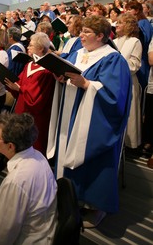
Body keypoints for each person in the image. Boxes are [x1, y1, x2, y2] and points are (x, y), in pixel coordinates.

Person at [48, 15, 132, 228]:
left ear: (101, 36)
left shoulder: (113, 59)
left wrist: (86, 84)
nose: (81, 36)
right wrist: (61, 78)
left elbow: (115, 98)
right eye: (81, 30)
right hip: (69, 114)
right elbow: (67, 76)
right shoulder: (77, 54)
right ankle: (68, 198)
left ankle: (96, 207)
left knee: (95, 162)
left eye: (86, 32)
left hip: (94, 121)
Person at [0, 112, 57, 245]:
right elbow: (27, 204)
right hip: (44, 231)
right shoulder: (38, 156)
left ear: (10, 146)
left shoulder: (15, 181)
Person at [5, 32, 55, 156]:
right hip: (21, 110)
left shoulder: (47, 71)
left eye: (31, 46)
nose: (27, 48)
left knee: (32, 149)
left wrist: (20, 89)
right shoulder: (29, 65)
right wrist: (12, 85)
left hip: (35, 117)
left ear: (40, 49)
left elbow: (36, 99)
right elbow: (19, 85)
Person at [114, 13, 142, 149]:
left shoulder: (135, 42)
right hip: (113, 82)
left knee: (129, 116)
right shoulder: (113, 41)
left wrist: (117, 62)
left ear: (129, 25)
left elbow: (135, 65)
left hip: (128, 82)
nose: (116, 25)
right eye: (117, 22)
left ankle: (128, 145)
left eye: (120, 22)